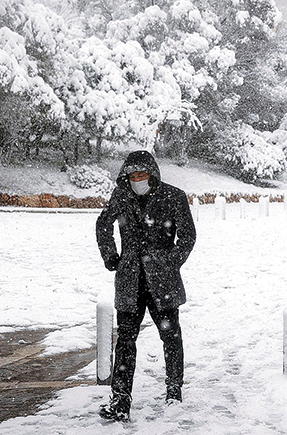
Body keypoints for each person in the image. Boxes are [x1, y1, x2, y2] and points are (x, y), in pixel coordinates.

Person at [96, 150, 196, 422]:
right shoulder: (122, 195)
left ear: (152, 175)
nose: (137, 180)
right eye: (132, 176)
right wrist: (111, 257)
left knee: (171, 336)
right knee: (126, 340)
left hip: (162, 282)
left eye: (142, 175)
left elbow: (188, 236)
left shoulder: (174, 196)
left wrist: (169, 262)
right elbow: (103, 224)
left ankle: (174, 389)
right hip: (130, 280)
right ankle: (120, 400)